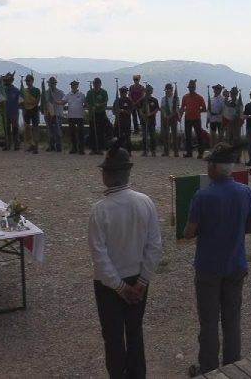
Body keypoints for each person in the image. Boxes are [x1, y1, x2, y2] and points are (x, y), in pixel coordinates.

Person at [88, 142, 162, 379]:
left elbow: (99, 255)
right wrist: (142, 280)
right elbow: (155, 245)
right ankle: (138, 375)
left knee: (112, 335)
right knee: (134, 330)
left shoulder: (100, 210)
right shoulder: (145, 201)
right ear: (127, 172)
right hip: (138, 279)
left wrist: (119, 286)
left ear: (108, 175)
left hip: (110, 285)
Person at [183, 143, 251, 376]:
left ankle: (208, 368)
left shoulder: (202, 195)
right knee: (232, 318)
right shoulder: (245, 192)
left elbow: (188, 232)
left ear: (215, 167)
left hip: (209, 265)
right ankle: (232, 365)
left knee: (209, 320)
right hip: (236, 263)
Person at [180, 80, 207, 160]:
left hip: (196, 119)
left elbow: (204, 109)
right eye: (190, 87)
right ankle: (189, 153)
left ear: (194, 88)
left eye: (192, 87)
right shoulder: (185, 97)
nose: (190, 89)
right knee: (188, 136)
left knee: (199, 136)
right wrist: (180, 116)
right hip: (187, 118)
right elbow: (182, 108)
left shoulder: (199, 97)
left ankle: (200, 153)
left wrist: (198, 111)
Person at [86, 78, 111, 156]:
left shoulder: (103, 92)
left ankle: (100, 148)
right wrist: (91, 106)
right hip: (93, 114)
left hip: (101, 113)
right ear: (93, 84)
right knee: (92, 132)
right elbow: (87, 102)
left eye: (97, 83)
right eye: (95, 83)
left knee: (101, 131)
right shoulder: (90, 92)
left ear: (100, 84)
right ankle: (93, 149)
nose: (96, 84)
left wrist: (99, 105)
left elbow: (105, 102)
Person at [21, 74, 42, 154]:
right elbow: (21, 102)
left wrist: (26, 102)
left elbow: (36, 101)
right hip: (26, 111)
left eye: (29, 80)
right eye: (26, 81)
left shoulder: (37, 90)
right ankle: (31, 144)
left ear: (32, 81)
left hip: (34, 111)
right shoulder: (24, 91)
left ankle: (36, 146)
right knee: (27, 129)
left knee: (35, 128)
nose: (27, 82)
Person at [44, 77, 66, 152]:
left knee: (57, 131)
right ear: (48, 84)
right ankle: (51, 145)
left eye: (53, 83)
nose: (52, 84)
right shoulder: (46, 93)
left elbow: (65, 100)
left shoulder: (60, 92)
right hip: (48, 114)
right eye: (50, 83)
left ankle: (58, 146)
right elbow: (44, 103)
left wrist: (58, 102)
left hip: (57, 113)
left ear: (55, 84)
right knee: (50, 131)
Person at [0, 74, 21, 151]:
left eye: (8, 80)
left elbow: (20, 102)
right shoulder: (2, 90)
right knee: (7, 129)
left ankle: (16, 144)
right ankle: (7, 144)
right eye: (5, 80)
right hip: (5, 113)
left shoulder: (16, 90)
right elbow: (0, 101)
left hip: (14, 112)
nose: (6, 81)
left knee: (15, 129)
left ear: (11, 81)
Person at [65, 80, 86, 154]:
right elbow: (63, 102)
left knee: (81, 133)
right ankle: (74, 148)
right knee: (72, 133)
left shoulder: (82, 95)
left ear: (77, 86)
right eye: (72, 85)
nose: (73, 86)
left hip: (80, 116)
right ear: (71, 86)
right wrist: (55, 101)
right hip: (71, 116)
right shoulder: (68, 95)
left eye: (75, 85)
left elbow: (86, 103)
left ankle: (81, 149)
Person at [111, 85, 133, 153]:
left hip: (126, 122)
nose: (122, 93)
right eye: (121, 92)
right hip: (118, 122)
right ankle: (118, 151)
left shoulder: (129, 101)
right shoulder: (117, 101)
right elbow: (113, 111)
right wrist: (117, 112)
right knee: (118, 137)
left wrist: (123, 111)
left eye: (124, 92)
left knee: (127, 137)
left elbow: (130, 111)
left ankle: (128, 152)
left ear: (126, 92)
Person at [139, 85, 160, 157]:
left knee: (152, 136)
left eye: (150, 90)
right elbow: (140, 109)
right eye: (147, 90)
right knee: (144, 136)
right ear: (145, 91)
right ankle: (145, 151)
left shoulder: (154, 100)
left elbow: (157, 109)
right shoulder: (142, 100)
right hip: (144, 121)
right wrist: (143, 116)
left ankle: (153, 151)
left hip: (152, 120)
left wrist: (150, 114)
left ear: (151, 91)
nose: (149, 92)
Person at [160, 83, 180, 157]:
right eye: (166, 90)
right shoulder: (163, 99)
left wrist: (172, 115)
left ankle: (176, 151)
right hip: (165, 118)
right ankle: (166, 151)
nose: (166, 91)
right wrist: (165, 115)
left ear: (171, 90)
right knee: (166, 135)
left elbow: (176, 108)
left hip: (173, 117)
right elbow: (162, 108)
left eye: (168, 89)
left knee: (175, 135)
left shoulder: (176, 98)